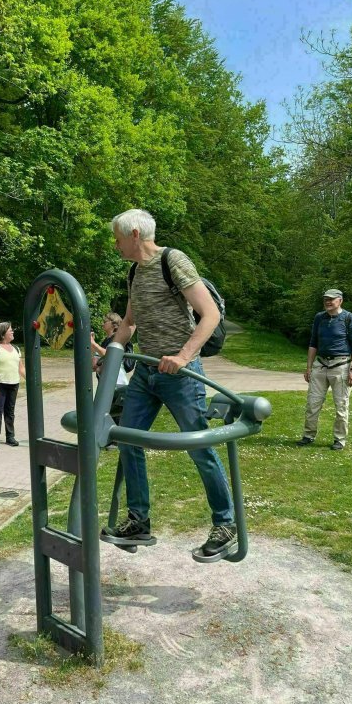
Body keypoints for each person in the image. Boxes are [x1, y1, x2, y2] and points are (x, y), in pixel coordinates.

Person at [100, 208, 237, 558]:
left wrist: (184, 356)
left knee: (198, 446)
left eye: (117, 238)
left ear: (134, 234)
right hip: (147, 373)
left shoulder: (172, 261)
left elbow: (210, 314)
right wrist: (111, 354)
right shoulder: (134, 271)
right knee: (127, 439)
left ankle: (226, 524)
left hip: (181, 375)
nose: (115, 245)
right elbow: (129, 323)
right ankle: (138, 521)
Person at [296, 289, 352, 451]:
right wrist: (309, 367)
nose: (328, 302)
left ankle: (340, 439)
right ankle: (308, 435)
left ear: (340, 301)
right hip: (320, 365)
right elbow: (313, 343)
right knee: (313, 403)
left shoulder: (349, 318)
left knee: (341, 406)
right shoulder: (319, 317)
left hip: (341, 366)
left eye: (331, 299)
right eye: (326, 299)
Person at [90, 312, 134, 429]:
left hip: (117, 383)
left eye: (105, 321)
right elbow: (98, 359)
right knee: (103, 413)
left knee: (115, 415)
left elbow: (110, 355)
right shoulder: (106, 340)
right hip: (106, 382)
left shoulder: (117, 340)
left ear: (114, 324)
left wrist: (93, 343)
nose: (102, 324)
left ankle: (117, 437)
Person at [0, 322, 25, 450]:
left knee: (10, 412)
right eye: (10, 330)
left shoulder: (16, 349)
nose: (13, 332)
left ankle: (10, 437)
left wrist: (31, 380)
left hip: (14, 384)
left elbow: (21, 368)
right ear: (3, 334)